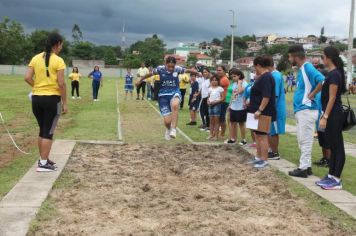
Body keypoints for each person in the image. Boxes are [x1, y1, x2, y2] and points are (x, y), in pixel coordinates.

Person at [24, 32, 67, 172]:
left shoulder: (36, 58)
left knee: (43, 130)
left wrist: (37, 87)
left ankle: (44, 158)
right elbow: (61, 83)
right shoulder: (59, 60)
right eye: (61, 44)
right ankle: (43, 164)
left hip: (36, 99)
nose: (61, 47)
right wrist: (64, 102)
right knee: (48, 132)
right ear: (57, 44)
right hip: (52, 99)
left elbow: (27, 77)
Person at [136, 56, 197, 140]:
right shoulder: (159, 69)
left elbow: (188, 70)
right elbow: (149, 74)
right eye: (169, 66)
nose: (171, 68)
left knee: (175, 105)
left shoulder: (178, 69)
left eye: (173, 66)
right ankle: (168, 129)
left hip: (174, 92)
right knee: (167, 121)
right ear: (165, 64)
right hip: (163, 96)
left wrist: (198, 73)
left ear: (175, 65)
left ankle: (174, 129)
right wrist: (140, 80)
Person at [287, 45, 324, 178]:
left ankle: (303, 168)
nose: (289, 59)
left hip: (307, 110)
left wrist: (313, 94)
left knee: (305, 140)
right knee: (302, 139)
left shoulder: (308, 67)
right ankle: (306, 166)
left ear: (295, 56)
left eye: (289, 56)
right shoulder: (303, 69)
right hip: (302, 110)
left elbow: (322, 80)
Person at [315, 46, 346, 190]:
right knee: (333, 146)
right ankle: (331, 175)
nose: (323, 59)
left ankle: (336, 179)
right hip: (331, 113)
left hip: (334, 114)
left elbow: (332, 98)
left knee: (337, 146)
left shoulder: (334, 75)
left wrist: (325, 116)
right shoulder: (333, 73)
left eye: (323, 56)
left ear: (329, 58)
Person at [248, 56, 276, 169]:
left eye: (255, 67)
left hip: (263, 112)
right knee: (257, 135)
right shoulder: (262, 77)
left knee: (262, 136)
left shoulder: (267, 77)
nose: (255, 69)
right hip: (255, 110)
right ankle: (258, 158)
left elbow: (266, 96)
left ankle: (264, 160)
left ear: (258, 65)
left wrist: (260, 110)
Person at [267, 57, 286, 160]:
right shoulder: (273, 75)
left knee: (273, 131)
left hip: (275, 108)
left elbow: (275, 95)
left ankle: (275, 153)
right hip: (273, 108)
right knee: (270, 131)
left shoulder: (275, 76)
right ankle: (271, 150)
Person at [314, 64, 331, 167]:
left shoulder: (326, 90)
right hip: (318, 120)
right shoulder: (318, 90)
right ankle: (324, 158)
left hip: (324, 118)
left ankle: (329, 160)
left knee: (327, 140)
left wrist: (324, 117)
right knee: (322, 141)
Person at [226, 69, 248, 145]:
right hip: (233, 106)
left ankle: (243, 139)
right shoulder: (234, 83)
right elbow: (233, 94)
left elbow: (240, 91)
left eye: (235, 76)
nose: (233, 78)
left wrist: (239, 82)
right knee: (232, 123)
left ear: (239, 76)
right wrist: (230, 104)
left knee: (241, 123)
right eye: (232, 76)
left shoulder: (244, 83)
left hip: (241, 106)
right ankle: (233, 138)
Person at [207, 74, 225, 141]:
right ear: (211, 81)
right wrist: (208, 101)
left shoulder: (220, 88)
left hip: (217, 105)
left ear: (218, 81)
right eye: (213, 80)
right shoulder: (209, 89)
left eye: (216, 80)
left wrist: (216, 102)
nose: (214, 81)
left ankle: (216, 136)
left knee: (216, 122)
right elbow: (208, 97)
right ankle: (211, 134)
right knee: (211, 121)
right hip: (210, 105)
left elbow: (223, 98)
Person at [216, 65, 230, 139]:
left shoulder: (224, 79)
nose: (218, 72)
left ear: (224, 71)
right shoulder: (220, 78)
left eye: (220, 70)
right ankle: (218, 134)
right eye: (217, 70)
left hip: (223, 101)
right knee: (218, 118)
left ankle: (222, 134)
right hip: (219, 100)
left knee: (221, 118)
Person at [243, 76, 257, 148]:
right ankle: (254, 142)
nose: (255, 75)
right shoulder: (250, 84)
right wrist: (244, 102)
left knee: (258, 126)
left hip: (257, 107)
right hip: (249, 107)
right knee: (251, 125)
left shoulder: (262, 84)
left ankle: (258, 142)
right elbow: (245, 94)